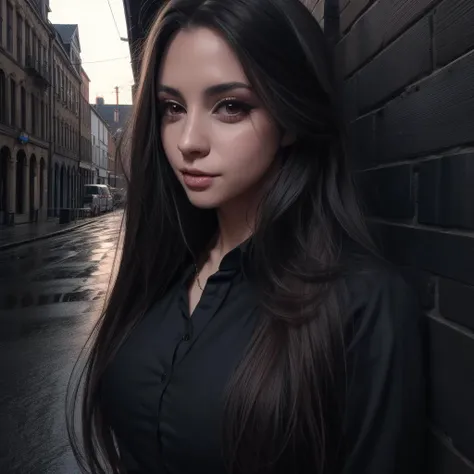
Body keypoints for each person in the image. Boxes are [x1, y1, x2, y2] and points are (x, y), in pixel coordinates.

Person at [67, 0, 425, 473]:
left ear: (292, 117)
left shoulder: (361, 303)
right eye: (172, 108)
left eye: (230, 106)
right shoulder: (163, 272)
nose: (188, 140)